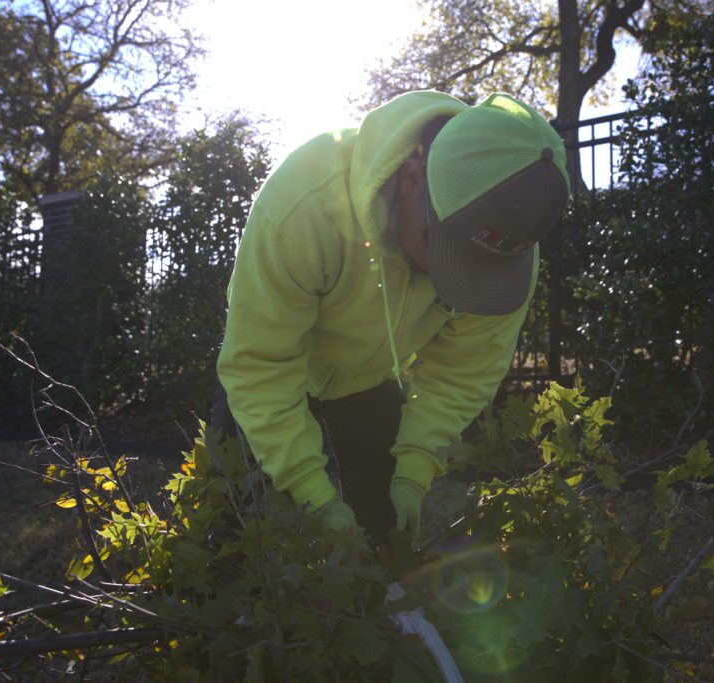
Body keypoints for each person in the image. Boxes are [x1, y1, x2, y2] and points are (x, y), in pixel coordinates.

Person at [215, 90, 570, 547]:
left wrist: (413, 471)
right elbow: (262, 364)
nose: (448, 279)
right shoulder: (303, 204)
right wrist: (315, 497)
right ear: (412, 178)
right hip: (271, 369)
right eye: (441, 249)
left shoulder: (506, 252)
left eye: (473, 267)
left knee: (384, 529)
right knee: (234, 522)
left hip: (371, 379)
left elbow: (461, 374)